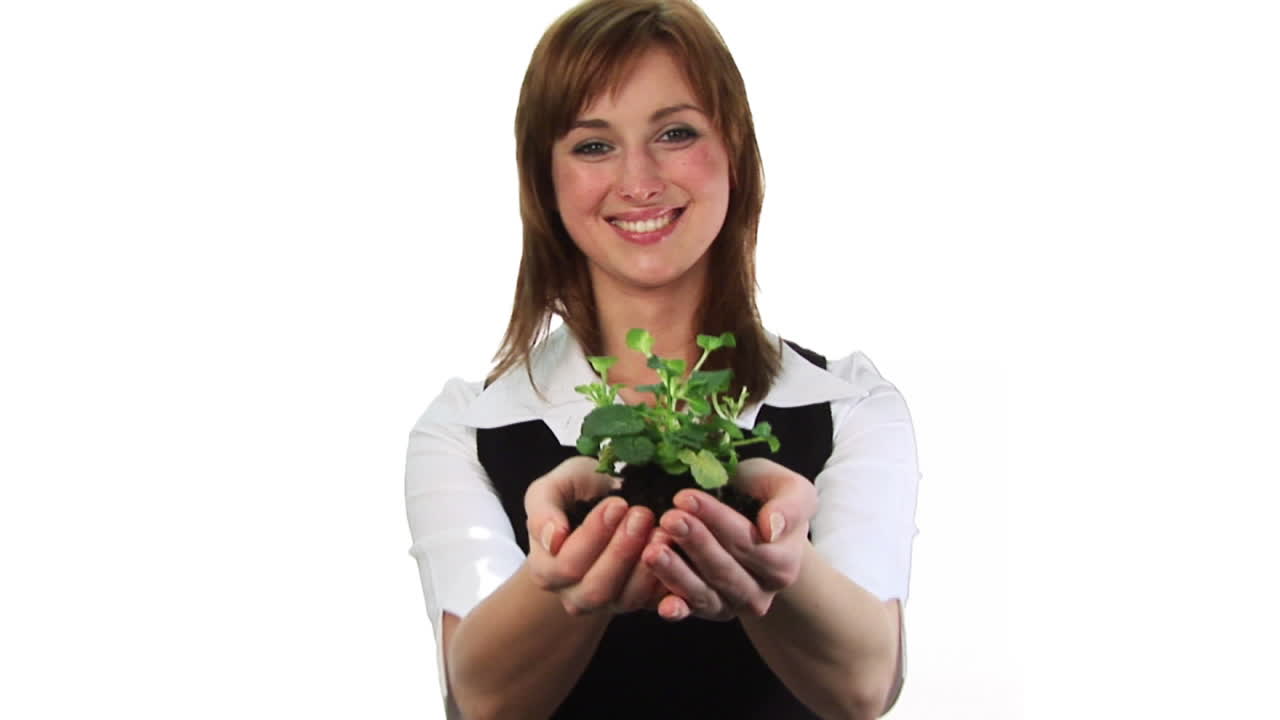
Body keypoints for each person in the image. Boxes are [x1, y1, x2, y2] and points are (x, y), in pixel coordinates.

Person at [405, 1, 920, 718]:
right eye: (593, 145)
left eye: (675, 133)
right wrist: (571, 574)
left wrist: (777, 560)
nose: (639, 181)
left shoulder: (846, 407)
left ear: (734, 151)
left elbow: (865, 685)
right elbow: (481, 700)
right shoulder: (470, 428)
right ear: (545, 182)